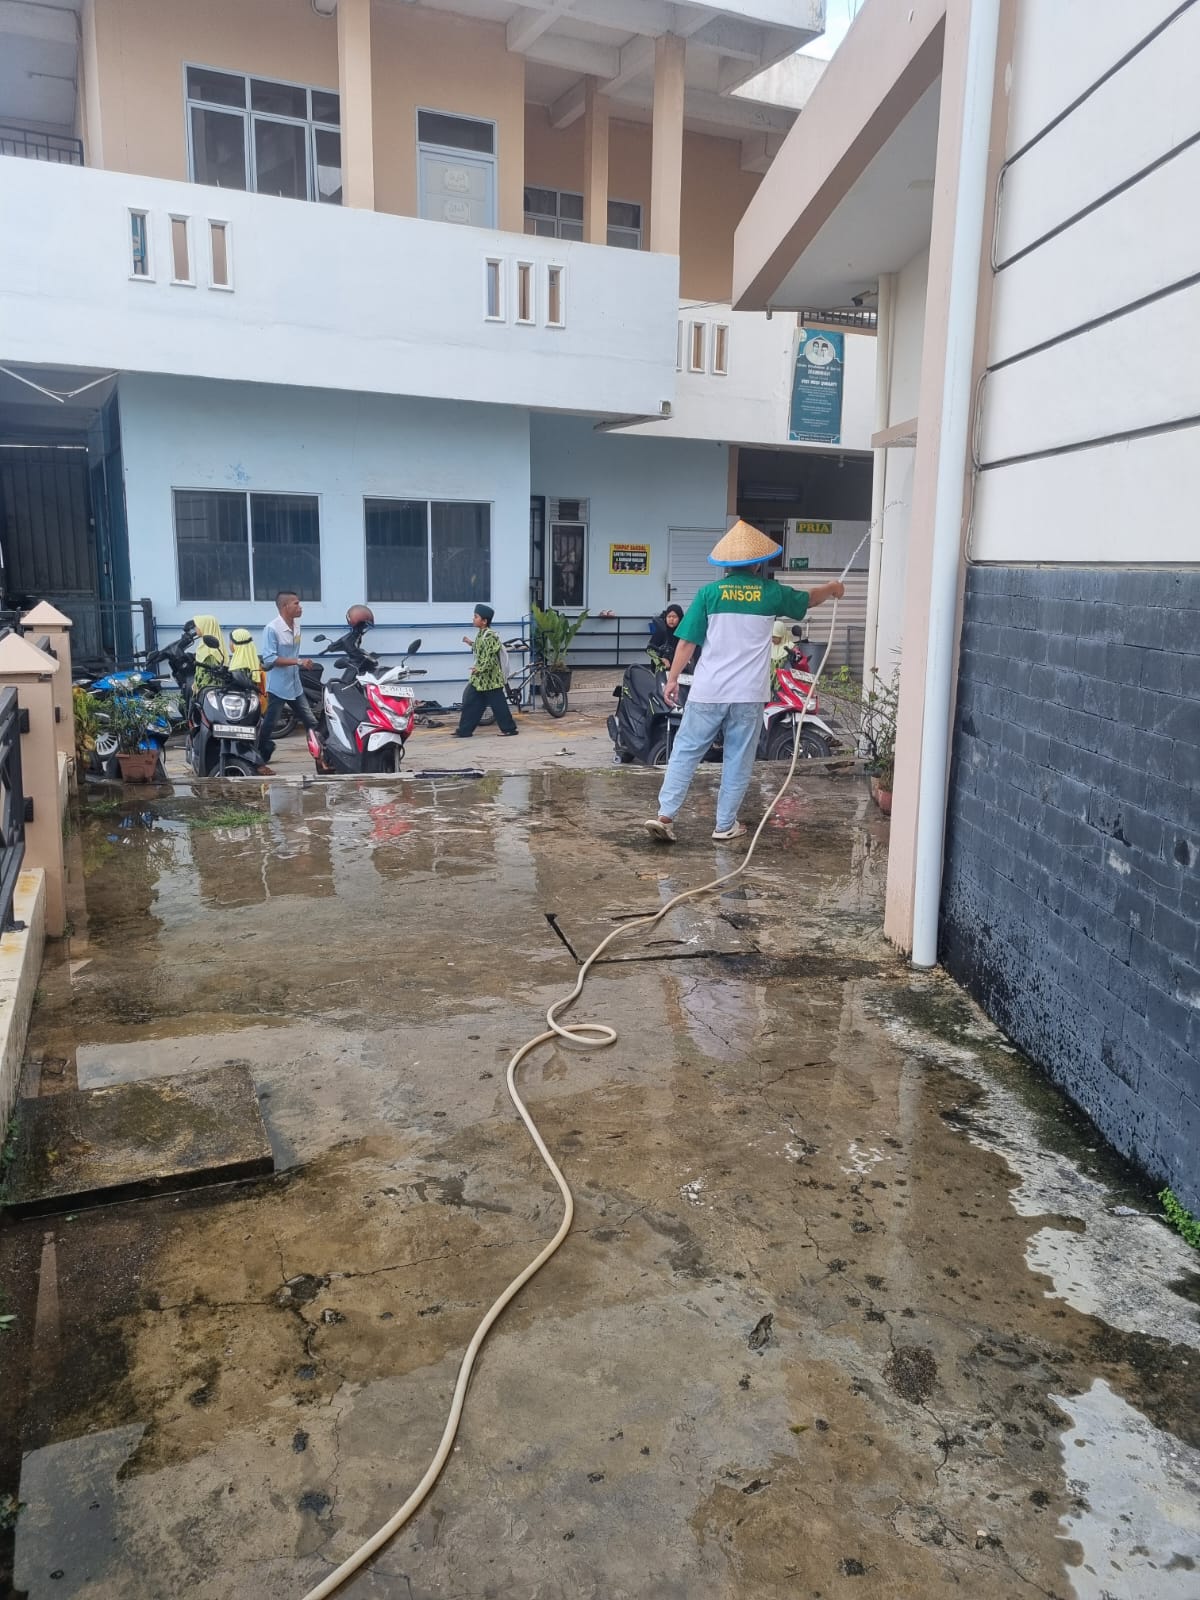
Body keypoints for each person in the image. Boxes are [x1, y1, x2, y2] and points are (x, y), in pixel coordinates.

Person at [644, 520, 844, 843]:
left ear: (726, 564)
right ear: (758, 563)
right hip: (748, 694)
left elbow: (686, 643)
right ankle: (724, 825)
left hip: (708, 691)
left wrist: (672, 679)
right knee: (737, 758)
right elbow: (808, 599)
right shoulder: (770, 593)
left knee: (686, 751)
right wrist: (833, 588)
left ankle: (665, 816)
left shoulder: (709, 594)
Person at [259, 589, 321, 771]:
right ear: (285, 606)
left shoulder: (297, 627)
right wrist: (298, 662)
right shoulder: (272, 629)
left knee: (311, 722)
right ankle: (258, 757)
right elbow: (269, 658)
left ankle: (323, 755)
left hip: (295, 685)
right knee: (270, 724)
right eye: (296, 603)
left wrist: (299, 663)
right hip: (278, 687)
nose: (300, 607)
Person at [454, 604, 518, 738]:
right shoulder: (481, 634)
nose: (473, 619)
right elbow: (480, 648)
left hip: (490, 679)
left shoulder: (490, 636)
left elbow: (489, 657)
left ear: (484, 621)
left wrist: (479, 669)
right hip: (481, 678)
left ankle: (509, 729)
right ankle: (464, 730)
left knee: (498, 705)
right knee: (471, 702)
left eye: (476, 617)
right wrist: (470, 643)